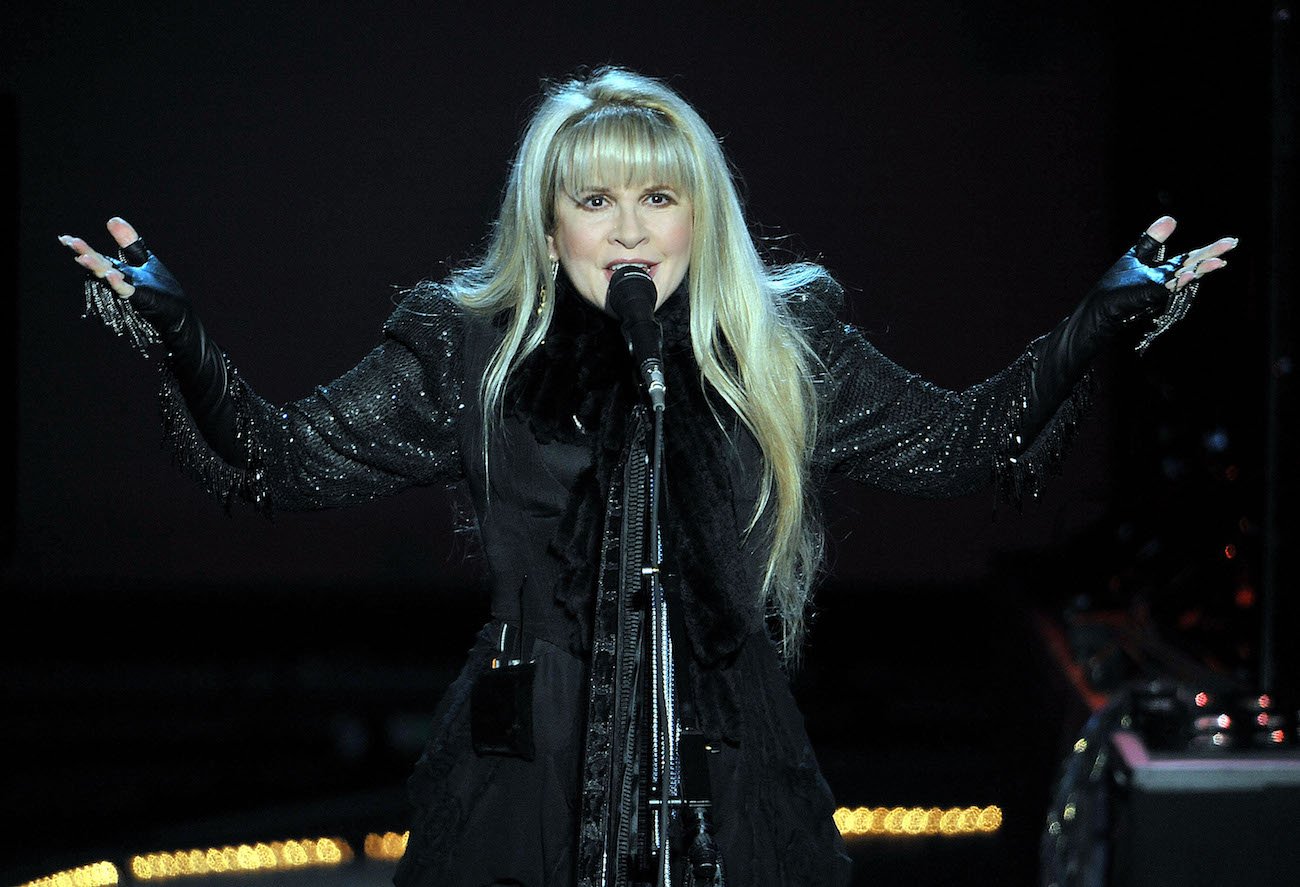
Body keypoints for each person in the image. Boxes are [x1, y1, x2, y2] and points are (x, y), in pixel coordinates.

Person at [58, 66, 1235, 887]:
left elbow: (963, 442)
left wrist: (1105, 317)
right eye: (596, 198)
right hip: (526, 763)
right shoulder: (465, 347)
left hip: (722, 747)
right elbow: (280, 459)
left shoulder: (784, 341)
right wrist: (175, 332)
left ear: (696, 214)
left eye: (657, 197)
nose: (628, 229)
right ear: (551, 219)